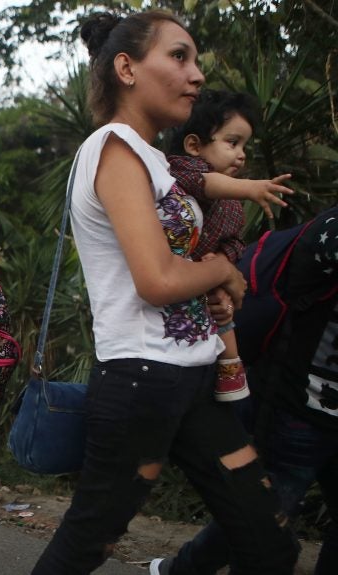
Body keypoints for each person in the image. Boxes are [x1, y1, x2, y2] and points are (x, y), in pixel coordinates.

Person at [30, 11, 299, 574]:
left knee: (267, 539)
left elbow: (177, 270)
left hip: (194, 376)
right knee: (86, 545)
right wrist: (223, 274)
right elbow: (158, 279)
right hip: (140, 382)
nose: (196, 74)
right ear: (126, 68)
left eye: (195, 60)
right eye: (179, 57)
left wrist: (211, 288)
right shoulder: (114, 147)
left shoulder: (156, 160)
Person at [155, 206, 338, 574]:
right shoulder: (330, 232)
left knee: (261, 518)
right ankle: (184, 569)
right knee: (265, 521)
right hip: (299, 411)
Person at [167, 89, 272, 403]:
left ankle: (230, 370)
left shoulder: (233, 203)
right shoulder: (180, 170)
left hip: (207, 281)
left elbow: (236, 241)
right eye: (232, 142)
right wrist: (251, 188)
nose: (241, 154)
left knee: (222, 311)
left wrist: (223, 259)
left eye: (244, 146)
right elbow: (205, 184)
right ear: (194, 145)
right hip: (176, 274)